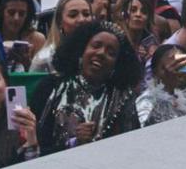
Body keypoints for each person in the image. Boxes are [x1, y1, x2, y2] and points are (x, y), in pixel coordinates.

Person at [34, 21, 141, 153]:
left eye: (111, 52)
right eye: (96, 46)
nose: (101, 53)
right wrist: (73, 143)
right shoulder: (52, 87)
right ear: (82, 50)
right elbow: (35, 146)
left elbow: (129, 148)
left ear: (116, 65)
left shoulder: (122, 97)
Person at [137, 44, 186, 125]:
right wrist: (169, 89)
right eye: (170, 68)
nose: (179, 73)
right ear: (155, 73)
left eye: (182, 66)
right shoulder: (146, 101)